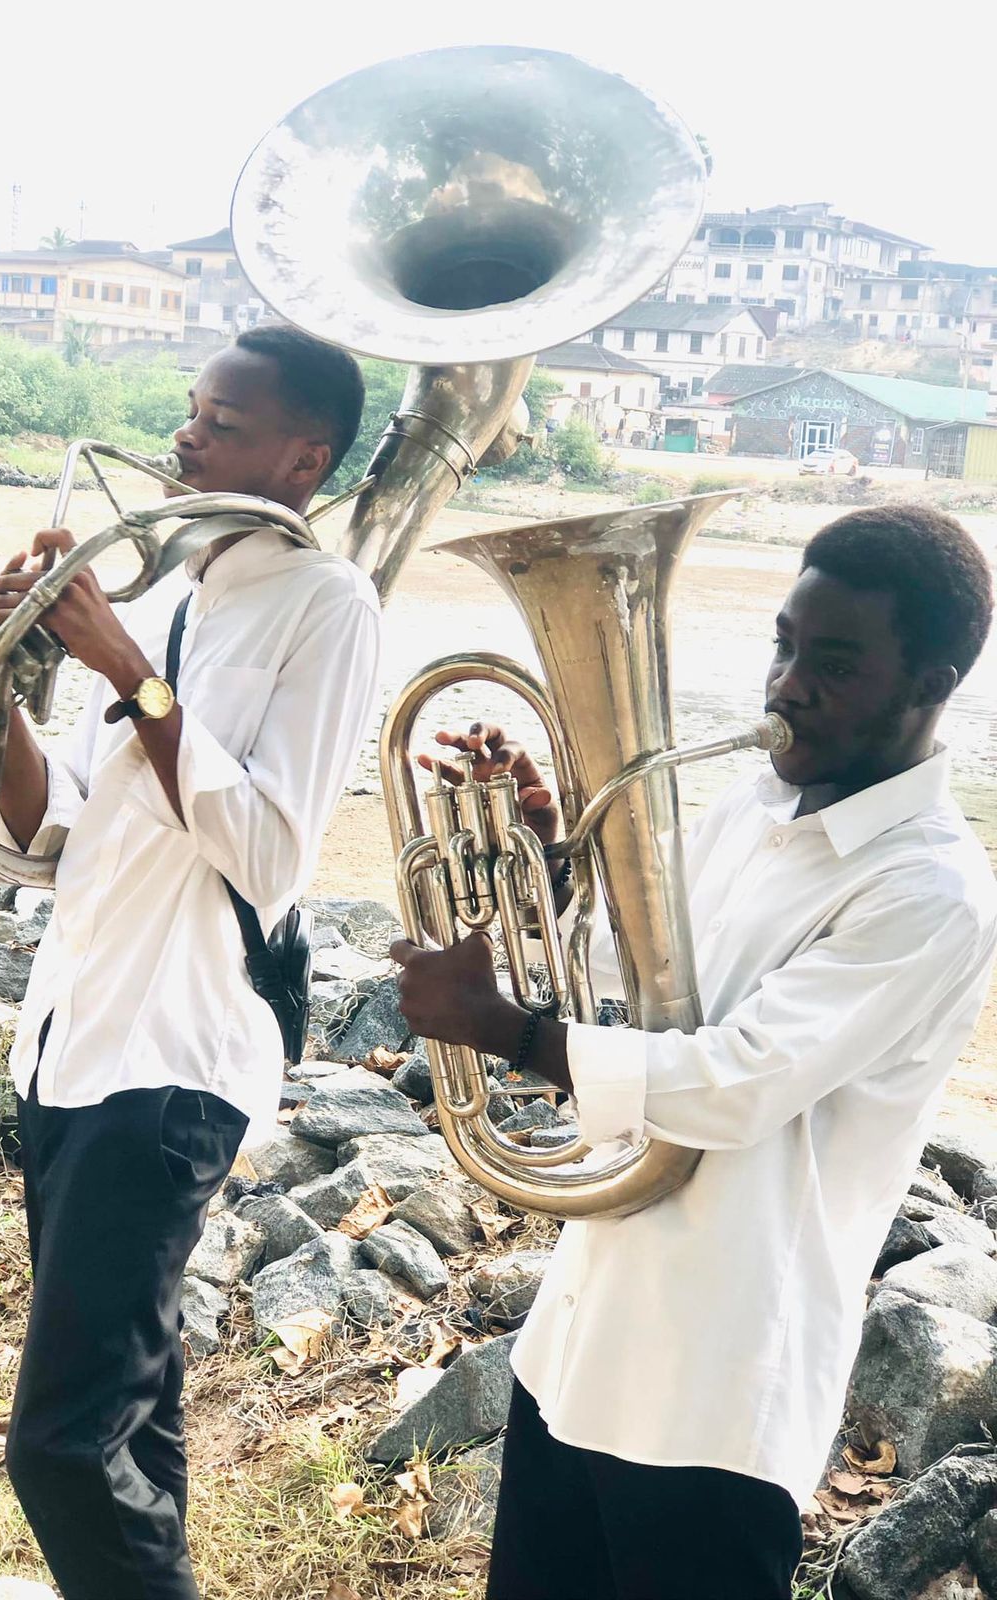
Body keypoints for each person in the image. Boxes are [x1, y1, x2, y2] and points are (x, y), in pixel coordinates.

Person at [390, 505, 997, 1600]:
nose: (789, 683)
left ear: (932, 683)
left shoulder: (932, 889)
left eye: (837, 662)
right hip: (579, 1337)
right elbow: (637, 988)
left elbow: (737, 1081)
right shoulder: (751, 807)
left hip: (715, 1386)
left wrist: (506, 1033)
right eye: (784, 644)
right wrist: (554, 865)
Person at [0, 325, 381, 1600]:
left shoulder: (329, 603)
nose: (186, 438)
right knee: (130, 1419)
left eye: (224, 423)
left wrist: (124, 670)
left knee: (60, 1449)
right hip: (71, 1041)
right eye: (192, 412)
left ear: (308, 455)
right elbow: (46, 831)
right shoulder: (164, 594)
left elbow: (270, 850)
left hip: (175, 1058)